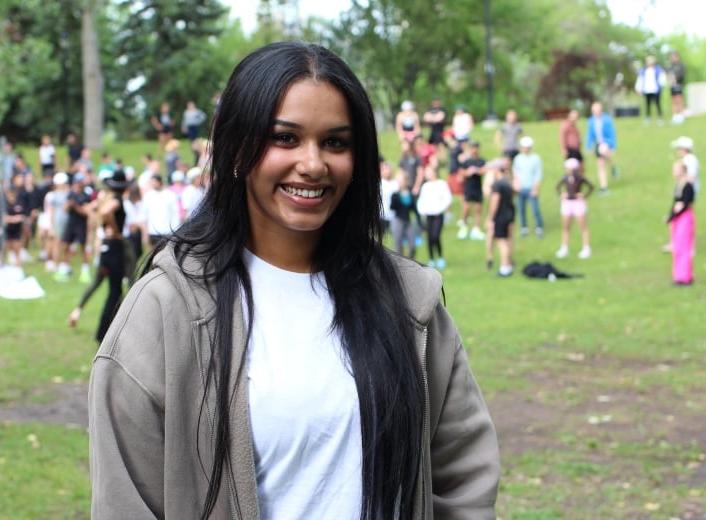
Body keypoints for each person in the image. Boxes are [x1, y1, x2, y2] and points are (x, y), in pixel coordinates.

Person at [88, 41, 499, 520]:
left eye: (336, 142)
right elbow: (125, 501)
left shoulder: (408, 301)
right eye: (285, 138)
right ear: (238, 147)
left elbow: (462, 475)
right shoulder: (164, 312)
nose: (313, 163)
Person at [68, 169, 134, 341]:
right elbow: (106, 213)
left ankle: (81, 313)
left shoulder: (107, 198)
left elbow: (100, 211)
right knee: (115, 293)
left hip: (107, 247)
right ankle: (104, 333)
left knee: (102, 284)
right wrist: (118, 231)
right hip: (114, 249)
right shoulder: (117, 200)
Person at [555, 158, 594, 259]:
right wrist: (561, 194)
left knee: (583, 226)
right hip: (568, 202)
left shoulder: (579, 178)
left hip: (578, 202)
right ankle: (564, 247)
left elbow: (591, 187)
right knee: (566, 226)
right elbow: (557, 187)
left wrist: (583, 195)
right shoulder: (565, 178)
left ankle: (586, 247)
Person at [416, 161, 452, 269]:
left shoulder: (441, 184)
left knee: (435, 236)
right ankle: (431, 258)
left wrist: (439, 209)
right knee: (429, 237)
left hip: (438, 215)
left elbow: (447, 198)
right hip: (428, 215)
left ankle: (440, 257)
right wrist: (422, 210)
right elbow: (421, 200)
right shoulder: (425, 186)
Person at [484, 158, 515, 277]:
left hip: (500, 216)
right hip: (508, 214)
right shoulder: (507, 182)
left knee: (501, 242)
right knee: (507, 241)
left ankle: (505, 268)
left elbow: (494, 202)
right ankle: (508, 264)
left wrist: (490, 218)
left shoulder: (497, 184)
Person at [667, 160, 695, 286]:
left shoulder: (688, 186)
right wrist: (671, 216)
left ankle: (685, 277)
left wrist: (677, 211)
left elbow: (685, 203)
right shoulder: (678, 185)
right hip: (678, 217)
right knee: (677, 246)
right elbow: (675, 203)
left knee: (683, 246)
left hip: (685, 217)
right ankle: (679, 275)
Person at [512, 136, 544, 237]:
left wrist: (535, 188)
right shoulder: (518, 159)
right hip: (521, 188)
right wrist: (516, 184)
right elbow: (516, 172)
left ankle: (539, 227)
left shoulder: (536, 158)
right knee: (521, 209)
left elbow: (538, 174)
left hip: (531, 187)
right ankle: (524, 228)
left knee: (535, 209)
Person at [457, 141, 487, 241]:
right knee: (467, 208)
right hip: (469, 187)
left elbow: (485, 170)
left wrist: (477, 171)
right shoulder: (467, 162)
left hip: (478, 187)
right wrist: (468, 172)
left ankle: (476, 229)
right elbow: (461, 173)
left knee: (478, 209)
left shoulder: (481, 161)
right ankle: (464, 227)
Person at [585, 101, 617, 195]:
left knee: (602, 150)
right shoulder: (591, 121)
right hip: (598, 143)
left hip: (607, 142)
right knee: (601, 165)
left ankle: (612, 165)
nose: (596, 112)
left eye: (598, 110)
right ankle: (604, 187)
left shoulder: (607, 119)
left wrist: (613, 146)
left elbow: (612, 133)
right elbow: (589, 135)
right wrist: (588, 146)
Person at [389, 170, 419, 258]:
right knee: (398, 246)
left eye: (401, 181)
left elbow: (415, 210)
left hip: (408, 221)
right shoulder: (395, 195)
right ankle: (400, 266)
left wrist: (420, 223)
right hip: (397, 220)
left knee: (413, 246)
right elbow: (392, 207)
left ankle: (411, 262)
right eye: (398, 181)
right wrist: (396, 198)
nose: (399, 183)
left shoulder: (411, 194)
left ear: (406, 181)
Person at [635, 55, 666, 126]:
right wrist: (638, 88)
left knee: (657, 104)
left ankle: (660, 118)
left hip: (656, 90)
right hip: (647, 90)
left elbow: (662, 79)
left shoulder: (658, 70)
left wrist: (661, 86)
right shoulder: (643, 71)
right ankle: (648, 118)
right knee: (647, 105)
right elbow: (640, 80)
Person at [668, 51, 686, 124]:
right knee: (673, 100)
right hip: (672, 85)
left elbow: (682, 75)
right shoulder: (671, 66)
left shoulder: (681, 66)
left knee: (679, 100)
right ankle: (675, 116)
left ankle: (681, 116)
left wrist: (676, 78)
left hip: (678, 85)